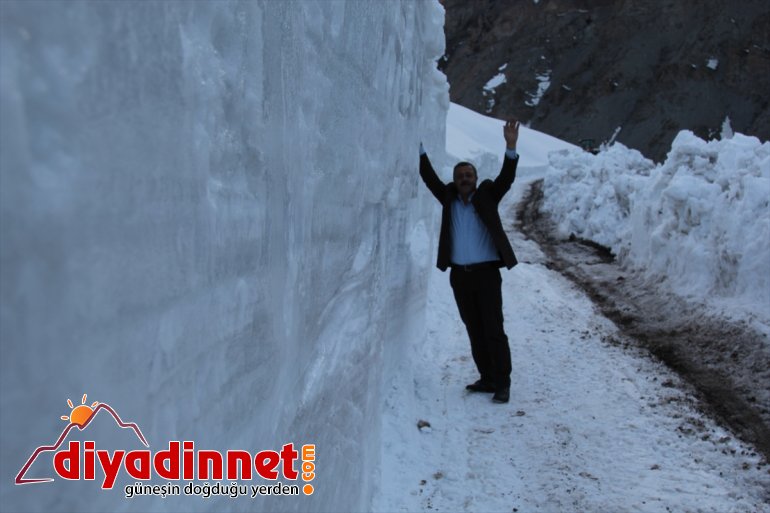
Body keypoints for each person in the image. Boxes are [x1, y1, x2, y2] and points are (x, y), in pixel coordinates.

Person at [419, 120, 520, 404]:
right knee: (474, 328)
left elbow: (506, 179)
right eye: (460, 175)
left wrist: (510, 146)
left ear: (475, 179)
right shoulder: (448, 198)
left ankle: (502, 382)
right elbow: (428, 178)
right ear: (454, 180)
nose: (465, 178)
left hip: (486, 275)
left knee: (493, 329)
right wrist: (418, 147)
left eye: (469, 174)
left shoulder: (487, 195)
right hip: (460, 277)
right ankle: (487, 377)